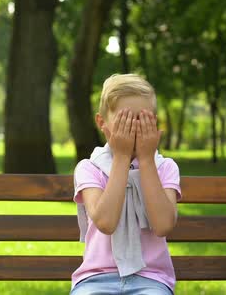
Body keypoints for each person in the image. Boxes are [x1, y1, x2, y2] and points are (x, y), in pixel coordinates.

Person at [70, 74, 180, 295]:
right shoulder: (89, 168)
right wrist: (121, 157)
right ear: (102, 123)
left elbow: (163, 225)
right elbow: (106, 222)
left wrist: (146, 160)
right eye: (125, 120)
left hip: (151, 280)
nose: (134, 128)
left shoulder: (164, 167)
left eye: (142, 119)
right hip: (95, 279)